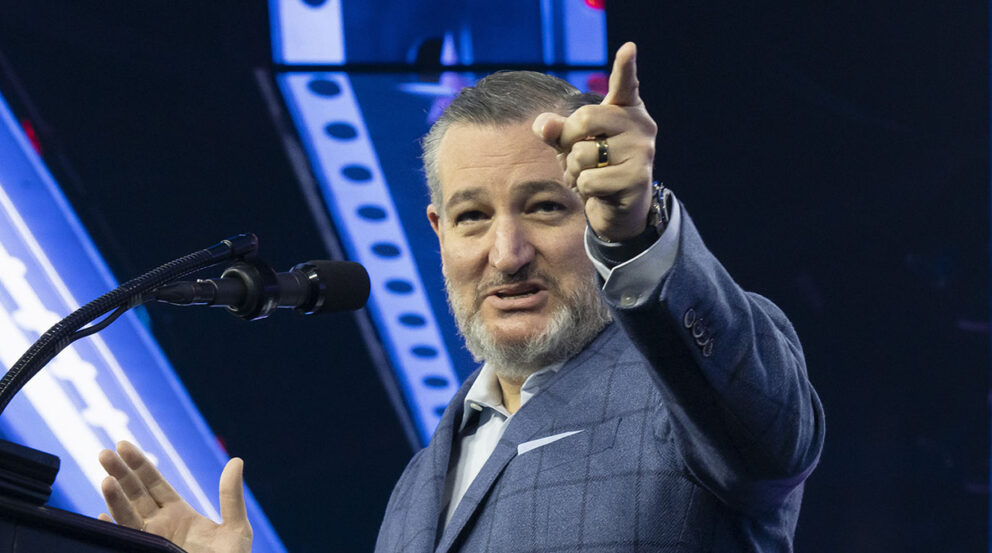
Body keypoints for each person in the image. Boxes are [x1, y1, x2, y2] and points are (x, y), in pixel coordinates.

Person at [97, 42, 824, 552]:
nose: (506, 254)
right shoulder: (419, 484)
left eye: (544, 206)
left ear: (597, 209)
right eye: (474, 217)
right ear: (440, 233)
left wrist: (640, 233)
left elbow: (773, 433)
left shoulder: (693, 396)